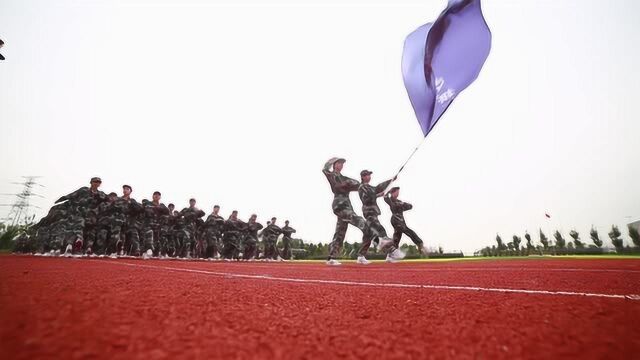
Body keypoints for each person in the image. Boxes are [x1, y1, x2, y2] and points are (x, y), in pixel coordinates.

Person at [322, 157, 367, 266]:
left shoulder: (345, 179)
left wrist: (378, 190)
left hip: (347, 205)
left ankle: (331, 258)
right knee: (359, 221)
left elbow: (359, 186)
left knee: (340, 233)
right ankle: (370, 248)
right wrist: (332, 160)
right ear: (334, 164)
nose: (341, 165)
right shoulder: (332, 175)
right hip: (339, 205)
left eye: (342, 163)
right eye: (339, 163)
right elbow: (324, 169)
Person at [357, 170, 403, 264]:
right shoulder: (362, 187)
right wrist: (378, 194)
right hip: (369, 212)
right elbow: (369, 196)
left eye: (370, 175)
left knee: (368, 235)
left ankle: (361, 256)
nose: (369, 177)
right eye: (367, 175)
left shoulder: (368, 187)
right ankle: (392, 251)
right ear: (363, 177)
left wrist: (390, 181)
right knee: (380, 230)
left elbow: (377, 189)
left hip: (372, 212)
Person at [384, 187, 429, 259]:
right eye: (396, 192)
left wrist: (402, 204)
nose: (398, 193)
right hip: (395, 219)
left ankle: (390, 255)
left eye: (398, 192)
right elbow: (385, 197)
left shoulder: (399, 201)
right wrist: (388, 191)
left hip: (401, 220)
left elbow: (410, 206)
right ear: (392, 193)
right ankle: (419, 243)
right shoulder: (391, 200)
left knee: (397, 237)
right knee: (406, 230)